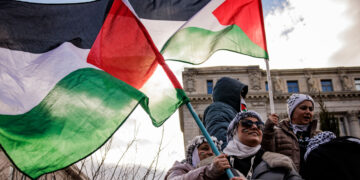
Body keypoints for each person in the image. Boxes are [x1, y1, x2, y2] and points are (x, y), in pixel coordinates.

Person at [224, 111, 302, 180]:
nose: (254, 127)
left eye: (259, 125)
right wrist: (212, 172)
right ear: (234, 131)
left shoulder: (281, 161)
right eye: (247, 123)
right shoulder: (219, 164)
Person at [262, 93, 319, 176]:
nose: (308, 112)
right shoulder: (277, 133)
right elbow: (266, 152)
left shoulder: (319, 135)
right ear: (292, 111)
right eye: (303, 108)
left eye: (311, 109)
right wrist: (268, 128)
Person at [164, 135, 245, 180]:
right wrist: (208, 171)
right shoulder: (180, 168)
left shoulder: (228, 170)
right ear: (194, 153)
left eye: (214, 150)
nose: (210, 152)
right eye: (204, 148)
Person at [203, 77, 248, 149]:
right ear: (231, 94)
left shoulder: (233, 113)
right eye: (240, 95)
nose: (242, 99)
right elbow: (220, 135)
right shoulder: (218, 108)